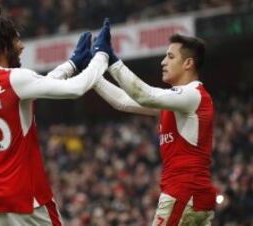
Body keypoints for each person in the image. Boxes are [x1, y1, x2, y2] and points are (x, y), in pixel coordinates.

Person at [0, 15, 112, 226]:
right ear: (3, 47)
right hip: (26, 196)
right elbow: (76, 88)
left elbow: (36, 85)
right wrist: (101, 56)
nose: (22, 46)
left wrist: (71, 65)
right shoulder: (14, 79)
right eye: (16, 40)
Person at [84, 24, 216, 225]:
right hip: (194, 194)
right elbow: (124, 101)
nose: (163, 62)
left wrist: (111, 59)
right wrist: (92, 74)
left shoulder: (192, 94)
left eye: (170, 57)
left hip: (183, 193)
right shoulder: (178, 101)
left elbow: (144, 95)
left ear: (188, 63)